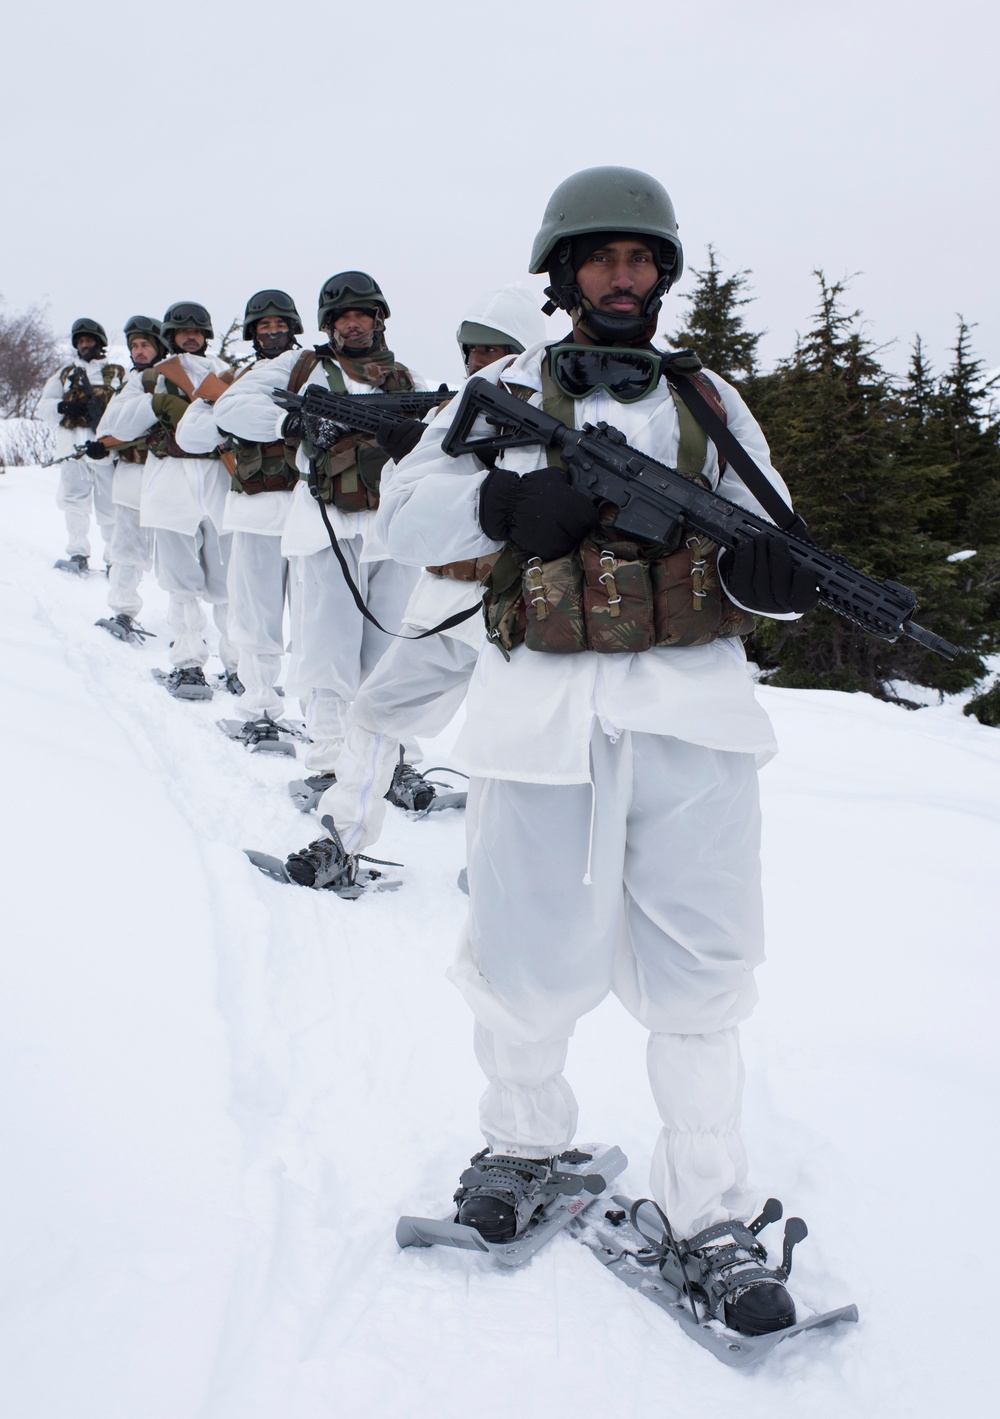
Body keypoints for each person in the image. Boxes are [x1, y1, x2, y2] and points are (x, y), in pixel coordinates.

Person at [377, 167, 821, 1337]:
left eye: (642, 261)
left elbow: (770, 539)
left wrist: (772, 585)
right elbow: (401, 513)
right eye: (601, 260)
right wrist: (503, 512)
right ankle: (526, 1149)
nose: (623, 280)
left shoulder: (710, 400)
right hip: (538, 721)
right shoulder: (501, 390)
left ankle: (707, 1210)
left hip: (694, 720)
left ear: (662, 276)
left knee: (702, 976)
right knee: (522, 960)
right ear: (563, 273)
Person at [280, 284, 545, 889]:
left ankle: (500, 870)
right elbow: (410, 522)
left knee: (504, 742)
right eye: (472, 351)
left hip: (520, 608)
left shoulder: (557, 423)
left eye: (496, 350)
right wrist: (412, 452)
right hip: (447, 602)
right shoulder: (452, 415)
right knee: (376, 710)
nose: (481, 363)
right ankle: (340, 843)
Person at [210, 271, 422, 768]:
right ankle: (329, 756)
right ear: (328, 324)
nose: (353, 325)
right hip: (327, 522)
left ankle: (394, 757)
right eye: (342, 317)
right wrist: (290, 421)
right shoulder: (299, 366)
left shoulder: (404, 378)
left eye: (361, 314)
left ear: (378, 318)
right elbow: (230, 405)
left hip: (389, 528)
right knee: (329, 648)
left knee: (392, 649)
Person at [177, 290, 303, 740]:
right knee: (254, 620)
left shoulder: (315, 369)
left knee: (313, 624)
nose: (272, 333)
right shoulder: (234, 378)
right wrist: (227, 403)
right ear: (253, 334)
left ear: (293, 327)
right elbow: (192, 436)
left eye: (279, 325)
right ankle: (260, 711)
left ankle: (327, 723)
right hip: (253, 511)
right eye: (263, 327)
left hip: (310, 514)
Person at [100, 301, 239, 699]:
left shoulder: (226, 374)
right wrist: (155, 403)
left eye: (197, 330)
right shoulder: (150, 379)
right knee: (181, 586)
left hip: (217, 482)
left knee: (229, 586)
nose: (190, 336)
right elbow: (113, 425)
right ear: (171, 336)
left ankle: (238, 667)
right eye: (182, 331)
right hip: (170, 485)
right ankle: (189, 664)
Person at [93, 316, 165, 642]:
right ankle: (124, 612)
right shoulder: (128, 385)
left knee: (185, 560)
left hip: (170, 478)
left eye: (145, 344)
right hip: (131, 476)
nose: (138, 351)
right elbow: (108, 431)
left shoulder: (174, 379)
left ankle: (190, 628)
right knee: (124, 550)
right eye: (134, 345)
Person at [38, 319, 125, 573]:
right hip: (72, 447)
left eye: (89, 340)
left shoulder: (117, 373)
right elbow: (44, 406)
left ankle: (113, 559)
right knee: (75, 502)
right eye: (80, 341)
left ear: (99, 343)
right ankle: (78, 553)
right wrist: (61, 407)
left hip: (104, 447)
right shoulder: (65, 374)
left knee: (110, 505)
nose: (84, 345)